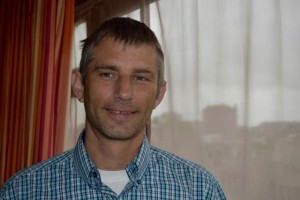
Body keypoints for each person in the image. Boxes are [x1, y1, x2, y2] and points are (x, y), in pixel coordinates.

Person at [0, 17, 226, 199]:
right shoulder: (21, 192)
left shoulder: (200, 190)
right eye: (108, 74)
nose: (124, 92)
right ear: (79, 86)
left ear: (158, 94)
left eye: (140, 78)